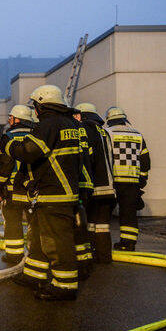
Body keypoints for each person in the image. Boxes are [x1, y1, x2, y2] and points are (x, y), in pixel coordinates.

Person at [6, 85, 83, 300]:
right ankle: (34, 274)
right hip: (59, 191)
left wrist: (10, 146)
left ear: (42, 104)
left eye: (36, 105)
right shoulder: (69, 124)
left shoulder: (48, 125)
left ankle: (65, 286)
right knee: (39, 235)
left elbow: (29, 151)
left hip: (54, 193)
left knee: (57, 240)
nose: (35, 110)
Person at [0, 104, 36, 263]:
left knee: (12, 222)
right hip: (32, 190)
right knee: (34, 224)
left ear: (18, 119)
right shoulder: (36, 136)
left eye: (11, 117)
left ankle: (13, 255)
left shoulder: (8, 137)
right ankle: (34, 254)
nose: (9, 120)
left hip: (12, 190)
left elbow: (4, 165)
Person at [74, 103, 117, 263]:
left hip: (93, 187)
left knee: (88, 224)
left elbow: (86, 157)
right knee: (103, 226)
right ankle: (105, 257)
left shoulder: (84, 129)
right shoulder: (104, 132)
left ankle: (89, 258)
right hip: (109, 187)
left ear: (80, 115)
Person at [105, 106, 150, 251]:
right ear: (124, 119)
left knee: (104, 213)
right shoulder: (138, 134)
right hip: (132, 182)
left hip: (113, 180)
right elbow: (145, 160)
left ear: (109, 120)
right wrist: (142, 179)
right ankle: (129, 243)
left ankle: (101, 244)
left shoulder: (107, 133)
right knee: (129, 213)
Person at [72, 108, 95, 278]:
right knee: (82, 224)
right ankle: (85, 260)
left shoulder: (72, 130)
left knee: (76, 225)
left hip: (76, 184)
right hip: (85, 182)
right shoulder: (86, 131)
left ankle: (81, 263)